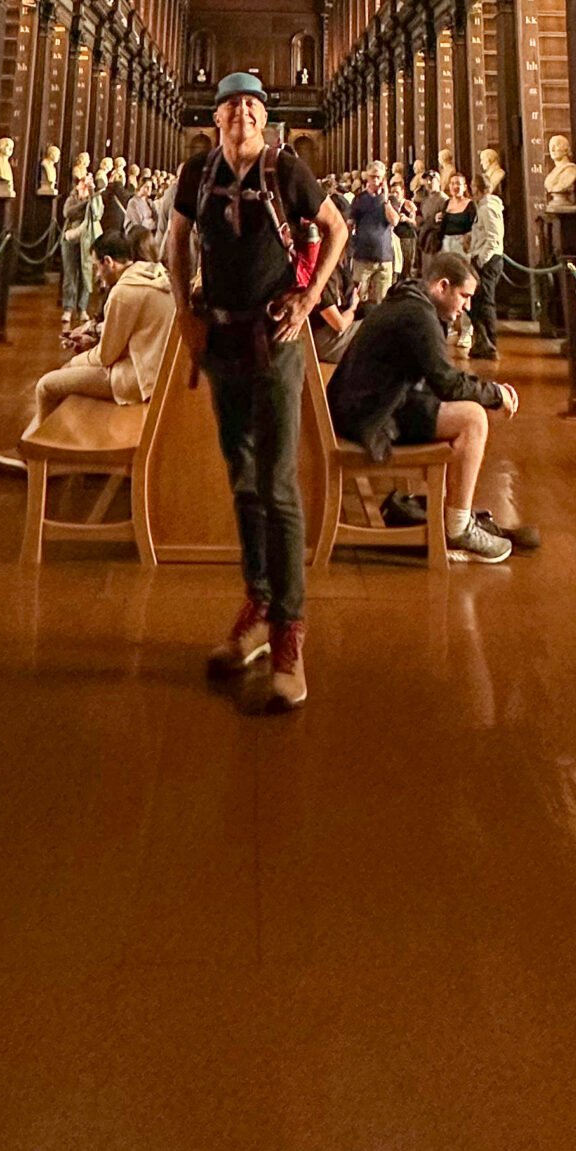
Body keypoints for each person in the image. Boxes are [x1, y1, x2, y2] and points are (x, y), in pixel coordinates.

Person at [167, 71, 348, 710]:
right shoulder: (197, 173)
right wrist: (185, 311)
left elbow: (336, 228)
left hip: (277, 343)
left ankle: (289, 630)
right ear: (215, 117)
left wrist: (310, 296)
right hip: (221, 341)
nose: (241, 114)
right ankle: (259, 600)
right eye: (231, 105)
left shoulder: (287, 170)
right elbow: (175, 244)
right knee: (242, 476)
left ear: (264, 119)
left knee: (277, 482)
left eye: (252, 106)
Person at [327, 251, 519, 563]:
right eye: (464, 296)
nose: (467, 306)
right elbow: (446, 382)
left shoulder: (411, 302)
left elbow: (439, 377)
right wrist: (495, 393)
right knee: (473, 420)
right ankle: (459, 528)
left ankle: (452, 513)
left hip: (364, 406)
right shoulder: (417, 315)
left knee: (465, 409)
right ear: (442, 286)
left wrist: (483, 391)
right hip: (371, 416)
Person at [0, 231, 175, 473]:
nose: (96, 273)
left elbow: (106, 357)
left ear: (108, 262)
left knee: (47, 385)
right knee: (68, 378)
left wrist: (77, 359)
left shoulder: (124, 292)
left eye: (97, 266)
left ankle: (39, 459)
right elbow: (139, 330)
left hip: (138, 380)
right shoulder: (154, 276)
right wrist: (90, 337)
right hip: (156, 372)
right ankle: (34, 448)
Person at [467, 171, 506, 358]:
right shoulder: (483, 206)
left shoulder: (488, 207)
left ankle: (490, 343)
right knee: (476, 303)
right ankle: (482, 341)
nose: (471, 190)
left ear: (479, 188)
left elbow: (493, 238)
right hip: (482, 258)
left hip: (488, 262)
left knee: (485, 303)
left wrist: (481, 260)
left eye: (473, 186)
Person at [349, 162, 396, 306]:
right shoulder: (359, 199)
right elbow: (350, 224)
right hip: (362, 257)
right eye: (372, 177)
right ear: (367, 178)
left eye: (379, 177)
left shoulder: (389, 200)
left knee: (382, 302)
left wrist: (386, 199)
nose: (375, 180)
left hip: (384, 257)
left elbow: (394, 221)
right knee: (358, 299)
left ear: (383, 180)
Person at [60, 170, 96, 324]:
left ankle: (82, 308)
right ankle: (68, 308)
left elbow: (96, 213)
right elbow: (68, 212)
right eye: (82, 183)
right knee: (70, 274)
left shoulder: (94, 199)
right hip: (70, 240)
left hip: (87, 241)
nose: (84, 186)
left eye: (86, 184)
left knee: (85, 274)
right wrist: (84, 204)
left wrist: (93, 195)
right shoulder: (71, 198)